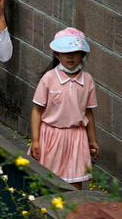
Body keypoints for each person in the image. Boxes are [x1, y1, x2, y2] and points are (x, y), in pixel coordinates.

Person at [30, 28, 100, 185]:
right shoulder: (48, 78)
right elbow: (36, 111)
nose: (70, 56)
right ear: (56, 54)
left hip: (77, 137)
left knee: (75, 184)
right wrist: (36, 140)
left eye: (75, 52)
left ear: (82, 55)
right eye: (65, 52)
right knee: (47, 183)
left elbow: (88, 113)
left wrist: (92, 140)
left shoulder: (88, 80)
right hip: (50, 136)